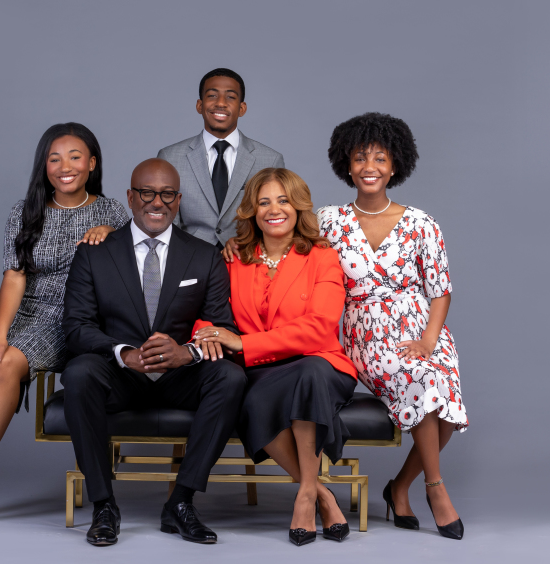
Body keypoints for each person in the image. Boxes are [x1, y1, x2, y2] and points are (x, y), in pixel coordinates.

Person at [0, 123, 129, 525]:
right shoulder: (25, 211)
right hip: (17, 308)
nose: (64, 166)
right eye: (54, 158)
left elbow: (129, 265)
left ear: (91, 163)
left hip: (66, 314)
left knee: (3, 365)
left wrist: (112, 236)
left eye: (74, 157)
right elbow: (15, 276)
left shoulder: (111, 212)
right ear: (44, 166)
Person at [60, 158, 247, 546]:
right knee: (78, 374)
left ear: (178, 201)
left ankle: (180, 502)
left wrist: (188, 353)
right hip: (122, 375)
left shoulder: (203, 255)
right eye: (147, 193)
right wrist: (124, 352)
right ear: (131, 197)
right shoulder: (94, 253)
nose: (156, 202)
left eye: (166, 194)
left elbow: (222, 326)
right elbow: (76, 328)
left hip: (179, 375)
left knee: (229, 377)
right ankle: (104, 506)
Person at [319, 112, 467, 540]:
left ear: (395, 165)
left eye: (380, 158)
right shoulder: (328, 221)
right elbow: (281, 242)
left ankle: (399, 486)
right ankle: (435, 489)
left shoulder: (422, 223)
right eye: (361, 157)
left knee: (445, 397)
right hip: (364, 331)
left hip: (423, 329)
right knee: (423, 381)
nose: (370, 166)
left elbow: (440, 291)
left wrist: (428, 339)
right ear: (346, 164)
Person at [194, 168, 357, 546]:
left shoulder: (322, 256)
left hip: (320, 362)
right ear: (252, 210)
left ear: (299, 207)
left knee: (310, 374)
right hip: (262, 372)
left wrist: (245, 344)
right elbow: (209, 310)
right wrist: (207, 331)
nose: (274, 209)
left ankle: (303, 498)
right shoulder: (234, 259)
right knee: (251, 399)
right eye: (263, 201)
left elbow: (319, 328)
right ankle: (318, 491)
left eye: (283, 200)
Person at [157, 68, 284, 248]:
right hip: (189, 262)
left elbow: (277, 221)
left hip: (247, 261)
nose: (221, 103)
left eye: (231, 97)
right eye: (212, 96)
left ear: (242, 108)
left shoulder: (270, 160)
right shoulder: (170, 157)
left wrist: (248, 245)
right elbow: (167, 222)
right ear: (199, 105)